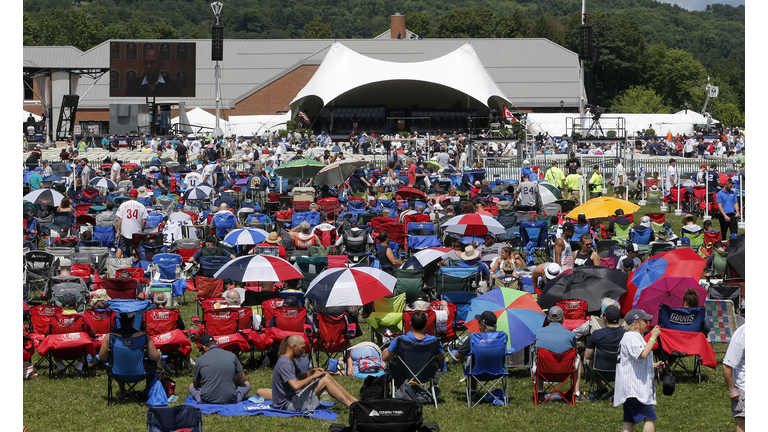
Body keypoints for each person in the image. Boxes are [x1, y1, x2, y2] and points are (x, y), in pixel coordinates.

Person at [271, 335, 358, 411]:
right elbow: (296, 386)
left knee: (326, 375)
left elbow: (301, 376)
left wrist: (313, 371)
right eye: (302, 348)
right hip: (288, 406)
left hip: (293, 400)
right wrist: (313, 377)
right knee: (325, 380)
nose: (304, 351)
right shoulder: (285, 363)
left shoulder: (289, 361)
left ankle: (355, 401)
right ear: (294, 347)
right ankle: (352, 406)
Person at [614, 309, 665, 432]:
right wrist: (652, 338)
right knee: (650, 418)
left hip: (629, 388)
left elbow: (633, 361)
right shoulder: (632, 337)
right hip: (635, 390)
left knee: (629, 421)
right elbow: (642, 354)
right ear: (636, 323)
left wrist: (653, 365)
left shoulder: (630, 336)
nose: (647, 324)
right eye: (645, 321)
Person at [99, 312, 161, 396]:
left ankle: (122, 391)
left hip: (116, 373)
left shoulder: (110, 336)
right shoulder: (143, 336)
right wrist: (159, 353)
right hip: (140, 373)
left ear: (119, 320)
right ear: (133, 320)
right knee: (152, 363)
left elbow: (102, 358)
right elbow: (155, 357)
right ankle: (150, 392)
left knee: (120, 360)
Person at [534, 306, 584, 402]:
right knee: (577, 357)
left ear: (548, 318)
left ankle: (540, 391)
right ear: (563, 319)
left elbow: (537, 351)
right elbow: (575, 352)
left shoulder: (539, 333)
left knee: (539, 358)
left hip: (544, 372)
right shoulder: (570, 334)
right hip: (566, 372)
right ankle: (576, 393)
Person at [188, 334, 250, 404]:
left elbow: (195, 384)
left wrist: (207, 380)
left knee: (191, 386)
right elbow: (242, 380)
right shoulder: (232, 356)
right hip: (231, 399)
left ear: (204, 347)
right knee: (247, 384)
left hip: (207, 400)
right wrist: (229, 379)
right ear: (215, 343)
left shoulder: (200, 360)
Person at [584, 304, 625, 398]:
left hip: (601, 371)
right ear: (619, 318)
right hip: (622, 370)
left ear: (605, 318)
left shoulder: (597, 334)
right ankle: (621, 388)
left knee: (588, 361)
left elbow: (587, 356)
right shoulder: (627, 333)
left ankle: (601, 388)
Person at [722, 323, 745, 432]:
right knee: (743, 427)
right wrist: (731, 389)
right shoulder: (743, 334)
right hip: (744, 389)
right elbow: (727, 365)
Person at [115, 189, 148, 259]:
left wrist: (118, 230)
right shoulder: (141, 206)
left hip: (125, 232)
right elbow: (144, 221)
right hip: (137, 231)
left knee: (120, 248)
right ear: (137, 196)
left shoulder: (123, 205)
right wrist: (142, 229)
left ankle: (116, 264)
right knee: (135, 248)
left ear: (129, 195)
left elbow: (120, 219)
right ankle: (135, 263)